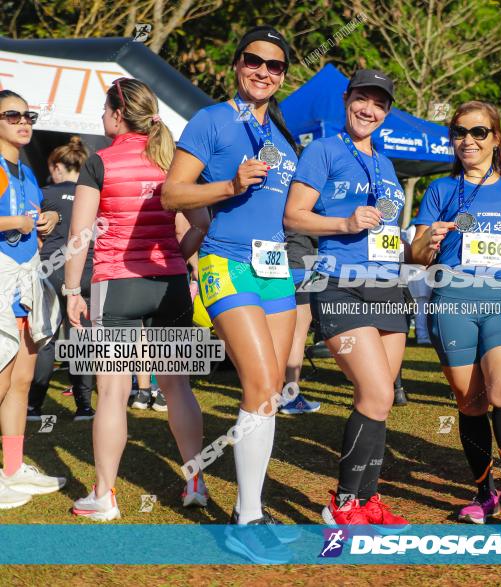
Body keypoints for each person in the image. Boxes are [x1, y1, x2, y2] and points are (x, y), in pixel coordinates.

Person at [162, 26, 301, 561]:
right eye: (254, 60)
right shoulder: (212, 119)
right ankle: (246, 522)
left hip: (276, 269)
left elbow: (288, 212)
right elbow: (171, 193)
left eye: (274, 65)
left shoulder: (284, 137)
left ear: (283, 75)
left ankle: (253, 508)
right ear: (237, 64)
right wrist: (231, 185)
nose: (264, 71)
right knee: (261, 382)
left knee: (274, 390)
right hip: (227, 261)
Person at [64, 78, 208, 521]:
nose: (101, 118)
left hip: (116, 285)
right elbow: (200, 223)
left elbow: (79, 235)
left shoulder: (99, 162)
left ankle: (104, 496)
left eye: (105, 110)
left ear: (118, 114)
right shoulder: (174, 161)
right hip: (169, 286)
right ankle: (195, 483)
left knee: (112, 392)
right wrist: (174, 259)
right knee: (177, 386)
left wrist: (72, 290)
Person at [285, 68, 410, 530]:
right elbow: (294, 216)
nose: (369, 109)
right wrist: (344, 224)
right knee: (376, 391)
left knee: (377, 401)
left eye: (379, 103)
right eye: (362, 98)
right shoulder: (323, 149)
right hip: (340, 284)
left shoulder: (386, 161)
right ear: (347, 98)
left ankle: (367, 499)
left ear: (386, 111)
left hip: (388, 287)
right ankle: (342, 503)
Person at [410, 101, 501, 528]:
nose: (469, 140)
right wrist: (430, 240)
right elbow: (417, 256)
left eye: (479, 132)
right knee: (472, 402)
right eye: (460, 132)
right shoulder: (441, 191)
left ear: (496, 138)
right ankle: (484, 494)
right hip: (451, 305)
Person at [0, 89, 65, 509]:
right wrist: (17, 221)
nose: (24, 121)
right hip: (2, 278)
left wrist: (48, 220)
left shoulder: (24, 168)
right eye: (12, 115)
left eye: (29, 115)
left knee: (23, 377)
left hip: (27, 280)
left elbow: (30, 218)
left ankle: (13, 467)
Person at [27, 136, 96, 422]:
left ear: (57, 167)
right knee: (81, 338)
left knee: (47, 340)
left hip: (52, 269)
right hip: (88, 269)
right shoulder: (94, 195)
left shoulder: (45, 194)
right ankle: (84, 407)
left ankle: (33, 407)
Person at [279, 229, 321, 414]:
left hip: (272, 261)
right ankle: (290, 397)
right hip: (300, 264)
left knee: (275, 333)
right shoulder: (307, 201)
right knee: (298, 335)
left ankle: (270, 392)